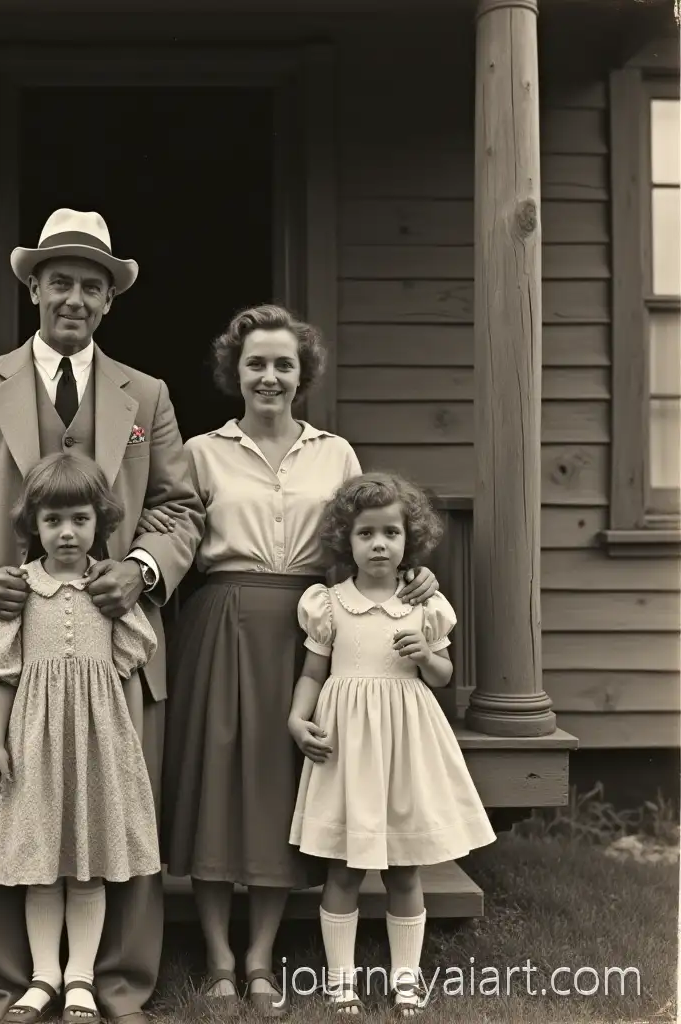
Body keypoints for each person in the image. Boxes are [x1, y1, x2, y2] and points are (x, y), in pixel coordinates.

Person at [0, 208, 204, 1024]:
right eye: (60, 282)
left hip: (114, 651)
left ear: (109, 302)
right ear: (33, 287)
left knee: (119, 813)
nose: (74, 298)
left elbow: (180, 508)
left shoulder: (148, 395)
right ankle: (5, 981)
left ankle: (113, 982)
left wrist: (140, 571)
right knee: (7, 816)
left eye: (91, 287)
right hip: (6, 645)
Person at [147, 305, 439, 1018]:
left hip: (308, 630)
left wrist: (415, 580)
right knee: (219, 778)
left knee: (282, 784)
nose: (270, 376)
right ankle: (218, 955)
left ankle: (260, 957)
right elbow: (175, 539)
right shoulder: (200, 450)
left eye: (284, 364)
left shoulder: (335, 454)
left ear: (302, 373)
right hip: (220, 621)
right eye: (256, 364)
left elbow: (366, 540)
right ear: (234, 372)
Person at [288, 472, 496, 1016]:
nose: (379, 544)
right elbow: (313, 671)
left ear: (410, 539)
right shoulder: (329, 604)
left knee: (404, 865)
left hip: (404, 743)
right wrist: (296, 717)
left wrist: (426, 655)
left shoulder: (424, 604)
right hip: (348, 745)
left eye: (391, 533)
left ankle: (406, 978)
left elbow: (444, 675)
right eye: (365, 534)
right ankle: (340, 981)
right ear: (346, 540)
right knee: (345, 867)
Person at [0, 454, 161, 1024]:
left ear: (99, 523)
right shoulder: (20, 590)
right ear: (34, 525)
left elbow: (128, 672)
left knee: (88, 865)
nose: (67, 532)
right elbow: (4, 676)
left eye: (79, 519)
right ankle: (44, 977)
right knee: (41, 864)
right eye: (53, 521)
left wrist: (129, 748)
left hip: (99, 743)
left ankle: (81, 976)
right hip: (35, 742)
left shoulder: (110, 589)